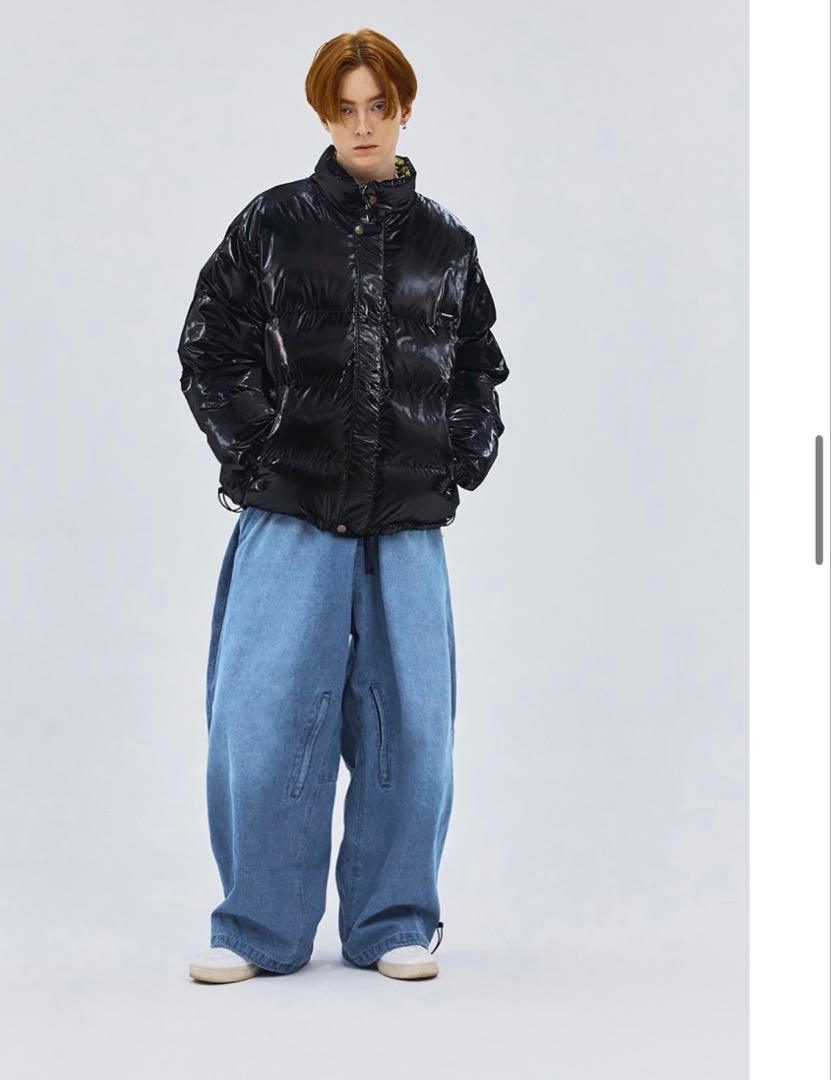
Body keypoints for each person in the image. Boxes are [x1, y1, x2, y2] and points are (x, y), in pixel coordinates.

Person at [178, 27, 509, 983]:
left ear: (404, 109)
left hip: (405, 523)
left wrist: (459, 456)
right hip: (290, 514)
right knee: (262, 720)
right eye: (344, 108)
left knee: (412, 728)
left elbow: (477, 368)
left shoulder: (445, 242)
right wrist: (259, 449)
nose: (363, 125)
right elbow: (209, 347)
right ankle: (255, 929)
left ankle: (392, 922)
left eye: (379, 106)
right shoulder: (272, 224)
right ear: (322, 115)